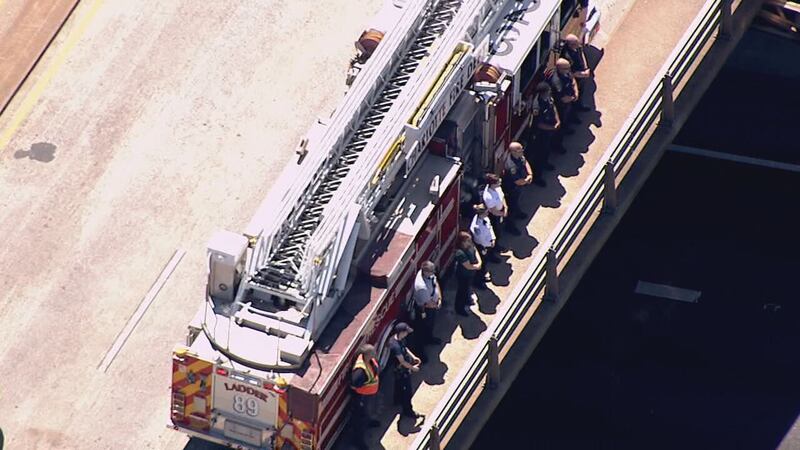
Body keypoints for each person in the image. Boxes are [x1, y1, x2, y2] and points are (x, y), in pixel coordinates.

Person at [389, 322, 423, 420]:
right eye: (406, 332)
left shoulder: (398, 339)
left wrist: (413, 357)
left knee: (399, 387)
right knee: (407, 391)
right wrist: (412, 368)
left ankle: (398, 400)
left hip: (400, 370)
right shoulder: (395, 346)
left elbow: (405, 348)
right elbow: (402, 361)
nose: (407, 333)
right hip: (401, 371)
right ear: (401, 332)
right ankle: (408, 411)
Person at [349, 344, 381, 449]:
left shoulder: (369, 361)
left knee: (367, 413)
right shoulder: (360, 371)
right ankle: (358, 441)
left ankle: (369, 422)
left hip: (368, 396)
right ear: (367, 355)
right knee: (360, 420)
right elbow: (354, 385)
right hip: (361, 398)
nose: (375, 354)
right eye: (373, 353)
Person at [412, 261, 442, 363]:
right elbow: (428, 303)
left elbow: (435, 283)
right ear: (425, 271)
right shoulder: (421, 286)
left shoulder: (430, 275)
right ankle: (420, 354)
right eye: (431, 271)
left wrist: (440, 298)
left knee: (430, 325)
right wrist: (437, 305)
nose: (433, 273)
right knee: (421, 330)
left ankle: (429, 338)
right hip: (424, 310)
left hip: (432, 307)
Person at [530, 82, 563, 173]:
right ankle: (538, 174)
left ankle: (545, 163)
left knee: (547, 149)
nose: (550, 91)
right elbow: (538, 124)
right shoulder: (537, 105)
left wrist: (557, 120)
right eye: (548, 90)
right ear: (542, 93)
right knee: (540, 153)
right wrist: (553, 128)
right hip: (541, 134)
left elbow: (553, 107)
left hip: (550, 128)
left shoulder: (547, 98)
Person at [503, 142, 537, 227]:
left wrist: (530, 174)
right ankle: (510, 225)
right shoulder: (511, 165)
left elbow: (525, 162)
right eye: (520, 150)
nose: (522, 150)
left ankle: (518, 213)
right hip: (512, 188)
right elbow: (517, 181)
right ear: (513, 152)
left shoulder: (518, 156)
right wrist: (527, 180)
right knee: (512, 206)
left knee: (517, 202)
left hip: (520, 185)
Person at [561, 34, 592, 112]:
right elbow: (569, 71)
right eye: (576, 44)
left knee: (581, 92)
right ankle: (575, 112)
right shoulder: (567, 55)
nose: (578, 45)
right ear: (571, 45)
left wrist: (586, 67)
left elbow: (582, 54)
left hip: (582, 74)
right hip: (574, 78)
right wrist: (583, 74)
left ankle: (580, 106)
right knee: (574, 95)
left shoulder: (577, 47)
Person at [453, 231, 482, 316]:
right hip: (463, 275)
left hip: (470, 274)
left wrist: (479, 262)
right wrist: (477, 267)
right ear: (462, 242)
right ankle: (459, 308)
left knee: (467, 288)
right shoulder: (460, 253)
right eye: (468, 241)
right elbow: (467, 266)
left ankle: (466, 300)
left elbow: (475, 250)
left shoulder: (469, 245)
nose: (470, 242)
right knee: (462, 290)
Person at [469, 204, 497, 286]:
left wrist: (493, 238)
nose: (488, 213)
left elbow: (490, 228)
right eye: (486, 212)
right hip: (482, 246)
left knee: (486, 261)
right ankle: (478, 281)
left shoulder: (485, 219)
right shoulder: (476, 226)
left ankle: (483, 274)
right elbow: (480, 239)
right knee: (482, 264)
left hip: (488, 243)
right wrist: (489, 244)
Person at [548, 58, 580, 129]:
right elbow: (563, 99)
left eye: (569, 68)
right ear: (559, 69)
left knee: (571, 110)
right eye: (566, 68)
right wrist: (574, 98)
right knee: (564, 116)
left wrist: (576, 92)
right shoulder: (556, 81)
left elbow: (572, 80)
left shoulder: (566, 71)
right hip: (562, 104)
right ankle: (566, 128)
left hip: (571, 97)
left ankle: (573, 119)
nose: (568, 70)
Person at [481, 173, 508, 248]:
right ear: (492, 184)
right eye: (498, 182)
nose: (500, 182)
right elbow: (493, 211)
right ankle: (497, 246)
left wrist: (505, 207)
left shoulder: (497, 187)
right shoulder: (488, 196)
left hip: (502, 209)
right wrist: (503, 214)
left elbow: (502, 197)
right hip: (495, 216)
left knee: (505, 223)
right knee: (496, 231)